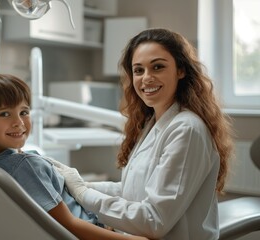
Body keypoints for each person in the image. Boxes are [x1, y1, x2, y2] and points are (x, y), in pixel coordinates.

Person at [51, 28, 234, 240]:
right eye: (138, 70)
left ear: (181, 70)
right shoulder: (152, 123)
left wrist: (84, 193)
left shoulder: (187, 129)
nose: (146, 78)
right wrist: (80, 184)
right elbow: (133, 191)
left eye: (157, 67)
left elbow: (154, 220)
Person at [0, 72, 148, 240]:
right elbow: (69, 225)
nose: (19, 122)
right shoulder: (26, 167)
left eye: (24, 112)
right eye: (4, 114)